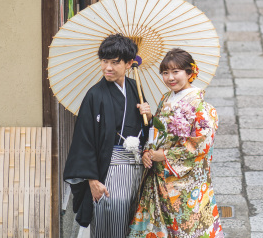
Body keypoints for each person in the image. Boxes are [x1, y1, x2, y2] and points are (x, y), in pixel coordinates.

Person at [63, 33, 152, 238]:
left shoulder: (134, 87)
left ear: (129, 63)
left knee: (134, 219)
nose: (107, 68)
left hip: (136, 169)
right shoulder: (95, 95)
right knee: (109, 216)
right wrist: (92, 180)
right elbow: (84, 140)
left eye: (115, 62)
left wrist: (148, 116)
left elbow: (145, 131)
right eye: (104, 61)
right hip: (107, 170)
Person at [129, 48, 223, 238]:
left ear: (190, 73)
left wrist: (163, 155)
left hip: (186, 183)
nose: (170, 77)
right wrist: (149, 148)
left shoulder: (201, 106)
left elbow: (200, 144)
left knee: (187, 227)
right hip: (159, 177)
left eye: (175, 72)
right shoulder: (165, 98)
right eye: (165, 73)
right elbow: (157, 133)